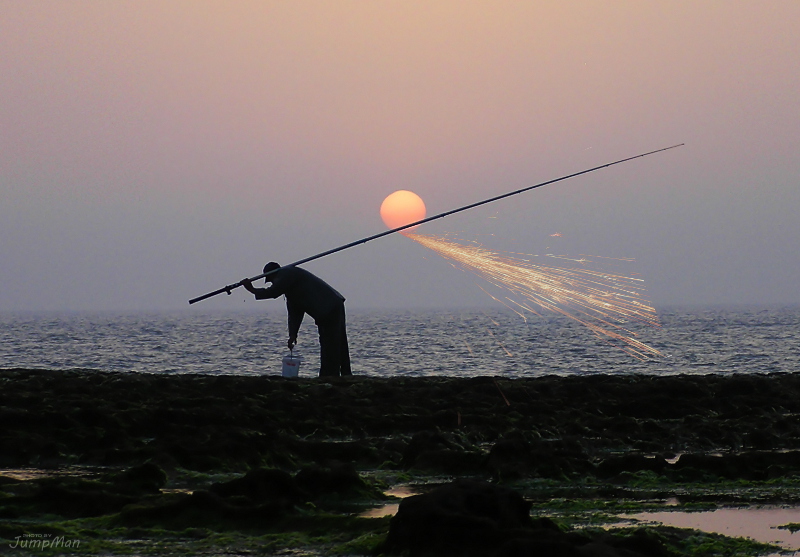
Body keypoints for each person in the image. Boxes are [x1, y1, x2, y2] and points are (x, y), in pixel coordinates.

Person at [242, 262, 352, 377]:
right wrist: (292, 335)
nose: (273, 283)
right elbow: (295, 314)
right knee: (335, 342)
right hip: (329, 307)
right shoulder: (291, 289)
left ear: (275, 275)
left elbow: (273, 292)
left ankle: (330, 375)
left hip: (329, 307)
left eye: (271, 280)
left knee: (331, 343)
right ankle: (341, 374)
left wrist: (252, 290)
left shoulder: (288, 273)